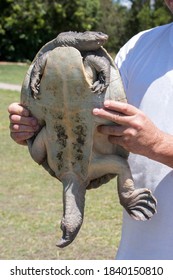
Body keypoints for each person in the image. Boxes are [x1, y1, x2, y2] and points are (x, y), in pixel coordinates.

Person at [8, 0, 173, 259]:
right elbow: (90, 115)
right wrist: (29, 126)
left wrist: (158, 144)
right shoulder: (137, 46)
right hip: (136, 253)